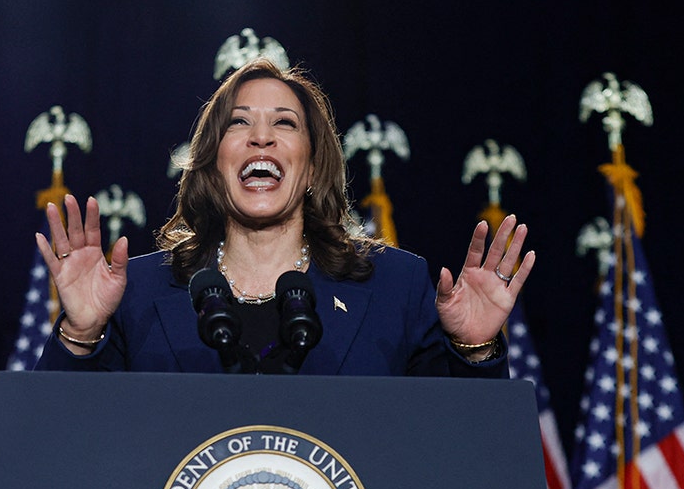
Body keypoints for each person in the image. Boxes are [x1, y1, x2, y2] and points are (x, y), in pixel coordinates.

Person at [34, 58, 533, 376]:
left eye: (284, 124)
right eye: (240, 123)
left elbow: (457, 457)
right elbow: (61, 448)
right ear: (213, 162)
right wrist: (80, 332)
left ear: (313, 167)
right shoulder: (138, 291)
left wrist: (474, 350)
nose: (262, 138)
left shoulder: (394, 287)